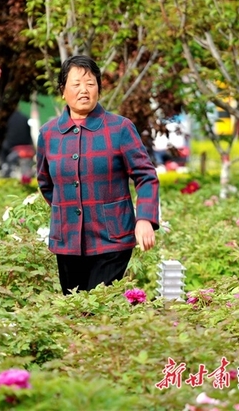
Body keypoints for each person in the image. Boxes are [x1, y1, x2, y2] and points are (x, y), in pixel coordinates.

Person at [36, 56, 159, 295]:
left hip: (112, 238)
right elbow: (46, 183)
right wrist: (68, 209)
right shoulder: (48, 134)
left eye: (90, 83)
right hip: (67, 240)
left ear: (99, 89)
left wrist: (144, 218)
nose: (84, 90)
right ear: (63, 91)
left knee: (97, 308)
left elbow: (146, 175)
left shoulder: (120, 128)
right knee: (74, 308)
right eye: (76, 84)